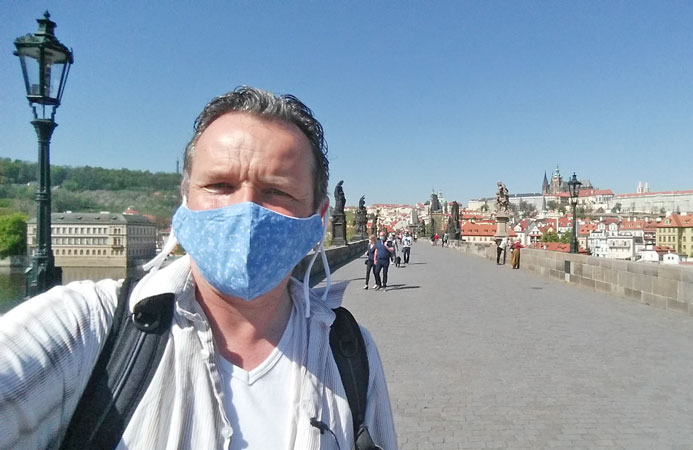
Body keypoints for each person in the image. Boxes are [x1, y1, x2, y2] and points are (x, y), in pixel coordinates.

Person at [0, 87, 397, 449]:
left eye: (277, 191)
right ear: (185, 199)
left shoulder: (351, 351)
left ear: (319, 216)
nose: (245, 211)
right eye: (219, 186)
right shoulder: (89, 326)